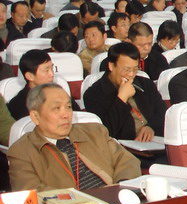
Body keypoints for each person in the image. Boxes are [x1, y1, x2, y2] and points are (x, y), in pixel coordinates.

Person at [8, 83, 141, 191]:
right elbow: (31, 191)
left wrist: (121, 187)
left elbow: (127, 160)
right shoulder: (22, 151)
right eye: (56, 108)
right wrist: (80, 201)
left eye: (68, 107)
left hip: (116, 201)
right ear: (35, 117)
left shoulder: (95, 131)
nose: (66, 114)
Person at [83, 42, 166, 142]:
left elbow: (162, 112)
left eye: (135, 69)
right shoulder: (93, 94)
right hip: (121, 146)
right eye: (126, 69)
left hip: (154, 140)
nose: (131, 74)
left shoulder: (145, 84)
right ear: (111, 66)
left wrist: (151, 127)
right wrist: (122, 98)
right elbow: (106, 131)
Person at [8, 50, 79, 120]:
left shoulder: (60, 94)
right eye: (46, 70)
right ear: (30, 76)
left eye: (52, 68)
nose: (52, 74)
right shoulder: (17, 105)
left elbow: (79, 116)